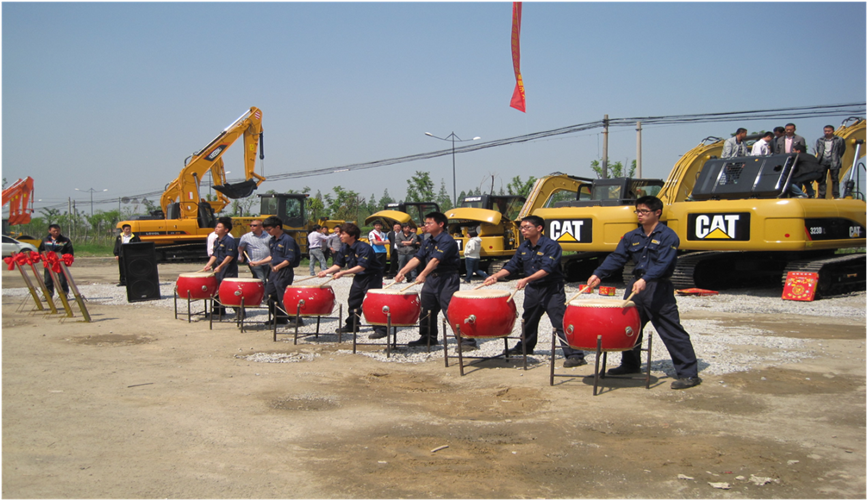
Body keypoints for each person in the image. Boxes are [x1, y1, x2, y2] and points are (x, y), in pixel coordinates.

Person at [586, 196, 701, 390]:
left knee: (671, 330)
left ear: (657, 213)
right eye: (638, 211)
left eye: (644, 211)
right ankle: (630, 365)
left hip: (657, 288)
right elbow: (617, 257)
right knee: (630, 327)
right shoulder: (632, 236)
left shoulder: (668, 236)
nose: (640, 215)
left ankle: (689, 373)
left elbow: (663, 263)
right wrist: (598, 274)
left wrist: (646, 279)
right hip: (636, 286)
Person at [483, 216, 587, 367]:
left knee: (559, 321)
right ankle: (525, 346)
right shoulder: (524, 247)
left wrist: (526, 279)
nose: (523, 230)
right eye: (522, 227)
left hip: (551, 289)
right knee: (528, 319)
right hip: (533, 290)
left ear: (539, 228)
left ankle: (575, 355)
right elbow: (513, 265)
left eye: (527, 227)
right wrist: (496, 276)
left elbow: (547, 269)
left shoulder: (551, 246)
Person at [395, 212, 475, 349]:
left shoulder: (447, 240)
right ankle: (428, 337)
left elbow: (436, 260)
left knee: (450, 308)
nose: (425, 225)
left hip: (447, 278)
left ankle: (466, 340)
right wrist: (402, 272)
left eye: (429, 223)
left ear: (441, 224)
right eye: (425, 223)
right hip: (432, 279)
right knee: (426, 308)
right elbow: (417, 258)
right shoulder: (428, 241)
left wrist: (423, 274)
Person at [318, 223, 388, 339]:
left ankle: (381, 329)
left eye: (343, 234)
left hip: (373, 276)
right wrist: (326, 272)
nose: (340, 236)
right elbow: (338, 264)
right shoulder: (344, 248)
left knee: (373, 302)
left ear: (353, 235)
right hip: (359, 277)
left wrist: (342, 273)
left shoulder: (364, 247)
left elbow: (362, 267)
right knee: (353, 300)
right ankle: (352, 324)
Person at [250, 216, 302, 326]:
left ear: (278, 227)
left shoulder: (287, 240)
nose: (268, 232)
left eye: (269, 229)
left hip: (284, 271)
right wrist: (258, 263)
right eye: (266, 230)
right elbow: (272, 256)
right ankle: (280, 317)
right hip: (274, 271)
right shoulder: (272, 240)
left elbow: (290, 258)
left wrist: (279, 266)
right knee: (270, 295)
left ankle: (295, 319)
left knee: (282, 295)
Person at [201, 217, 239, 317]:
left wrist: (221, 266)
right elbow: (215, 255)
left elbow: (230, 256)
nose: (216, 228)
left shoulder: (229, 241)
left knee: (229, 289)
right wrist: (208, 265)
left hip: (228, 268)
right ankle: (218, 310)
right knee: (217, 288)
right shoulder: (217, 241)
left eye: (219, 227)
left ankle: (239, 312)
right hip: (219, 268)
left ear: (226, 230)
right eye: (216, 227)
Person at [38, 224, 74, 298]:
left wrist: (65, 258)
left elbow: (70, 251)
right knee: (48, 279)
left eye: (58, 230)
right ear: (49, 231)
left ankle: (64, 294)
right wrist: (43, 258)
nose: (56, 232)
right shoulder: (45, 240)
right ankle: (49, 294)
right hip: (49, 262)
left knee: (62, 279)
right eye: (54, 231)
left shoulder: (65, 240)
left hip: (60, 262)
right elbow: (41, 250)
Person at [815, 125, 847, 199]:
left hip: (834, 160)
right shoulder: (820, 140)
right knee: (822, 178)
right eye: (825, 131)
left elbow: (842, 150)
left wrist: (837, 157)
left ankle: (836, 195)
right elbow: (818, 150)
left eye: (829, 131)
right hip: (823, 160)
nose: (827, 132)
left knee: (835, 178)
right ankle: (821, 195)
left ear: (833, 131)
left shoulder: (839, 139)